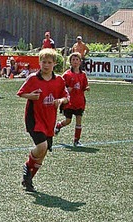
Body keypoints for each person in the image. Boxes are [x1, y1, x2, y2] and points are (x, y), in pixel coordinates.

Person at [17, 48, 69, 192]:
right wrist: (31, 96)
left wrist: (60, 100)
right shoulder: (33, 78)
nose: (46, 65)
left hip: (49, 120)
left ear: (54, 64)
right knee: (42, 147)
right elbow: (21, 93)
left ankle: (28, 180)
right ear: (39, 63)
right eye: (43, 62)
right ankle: (28, 166)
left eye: (49, 62)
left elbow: (66, 97)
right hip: (34, 118)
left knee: (43, 154)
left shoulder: (59, 80)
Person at [54, 52, 90, 146]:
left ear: (80, 62)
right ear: (70, 62)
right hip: (69, 102)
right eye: (73, 60)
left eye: (77, 59)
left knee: (79, 120)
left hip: (80, 102)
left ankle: (76, 140)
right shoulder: (67, 74)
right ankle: (59, 125)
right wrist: (66, 89)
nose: (75, 61)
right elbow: (60, 85)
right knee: (68, 121)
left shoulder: (83, 75)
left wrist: (86, 88)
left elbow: (84, 85)